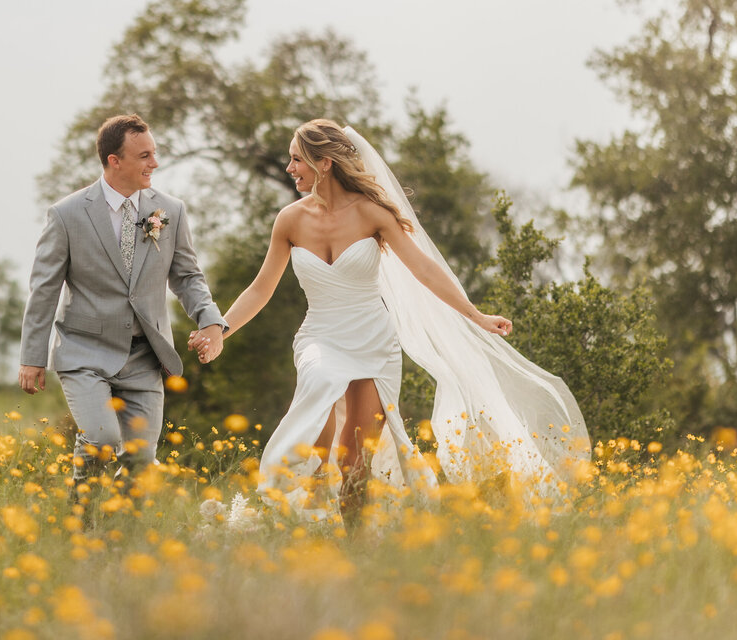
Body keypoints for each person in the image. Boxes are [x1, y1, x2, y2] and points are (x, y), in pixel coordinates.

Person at [190, 119, 588, 523]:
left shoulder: (373, 214)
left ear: (324, 163)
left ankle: (357, 542)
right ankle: (300, 507)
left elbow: (425, 270)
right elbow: (260, 289)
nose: (290, 168)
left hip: (374, 342)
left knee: (355, 457)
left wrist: (476, 316)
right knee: (321, 381)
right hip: (319, 338)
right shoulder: (290, 220)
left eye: (296, 159)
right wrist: (220, 330)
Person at [19, 114, 227, 503]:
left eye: (154, 154)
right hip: (84, 351)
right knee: (100, 439)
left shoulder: (171, 211)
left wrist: (210, 319)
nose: (155, 164)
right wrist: (32, 356)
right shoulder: (66, 214)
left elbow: (187, 277)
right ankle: (84, 522)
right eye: (144, 155)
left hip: (145, 356)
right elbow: (44, 289)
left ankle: (120, 540)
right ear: (115, 160)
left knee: (141, 460)